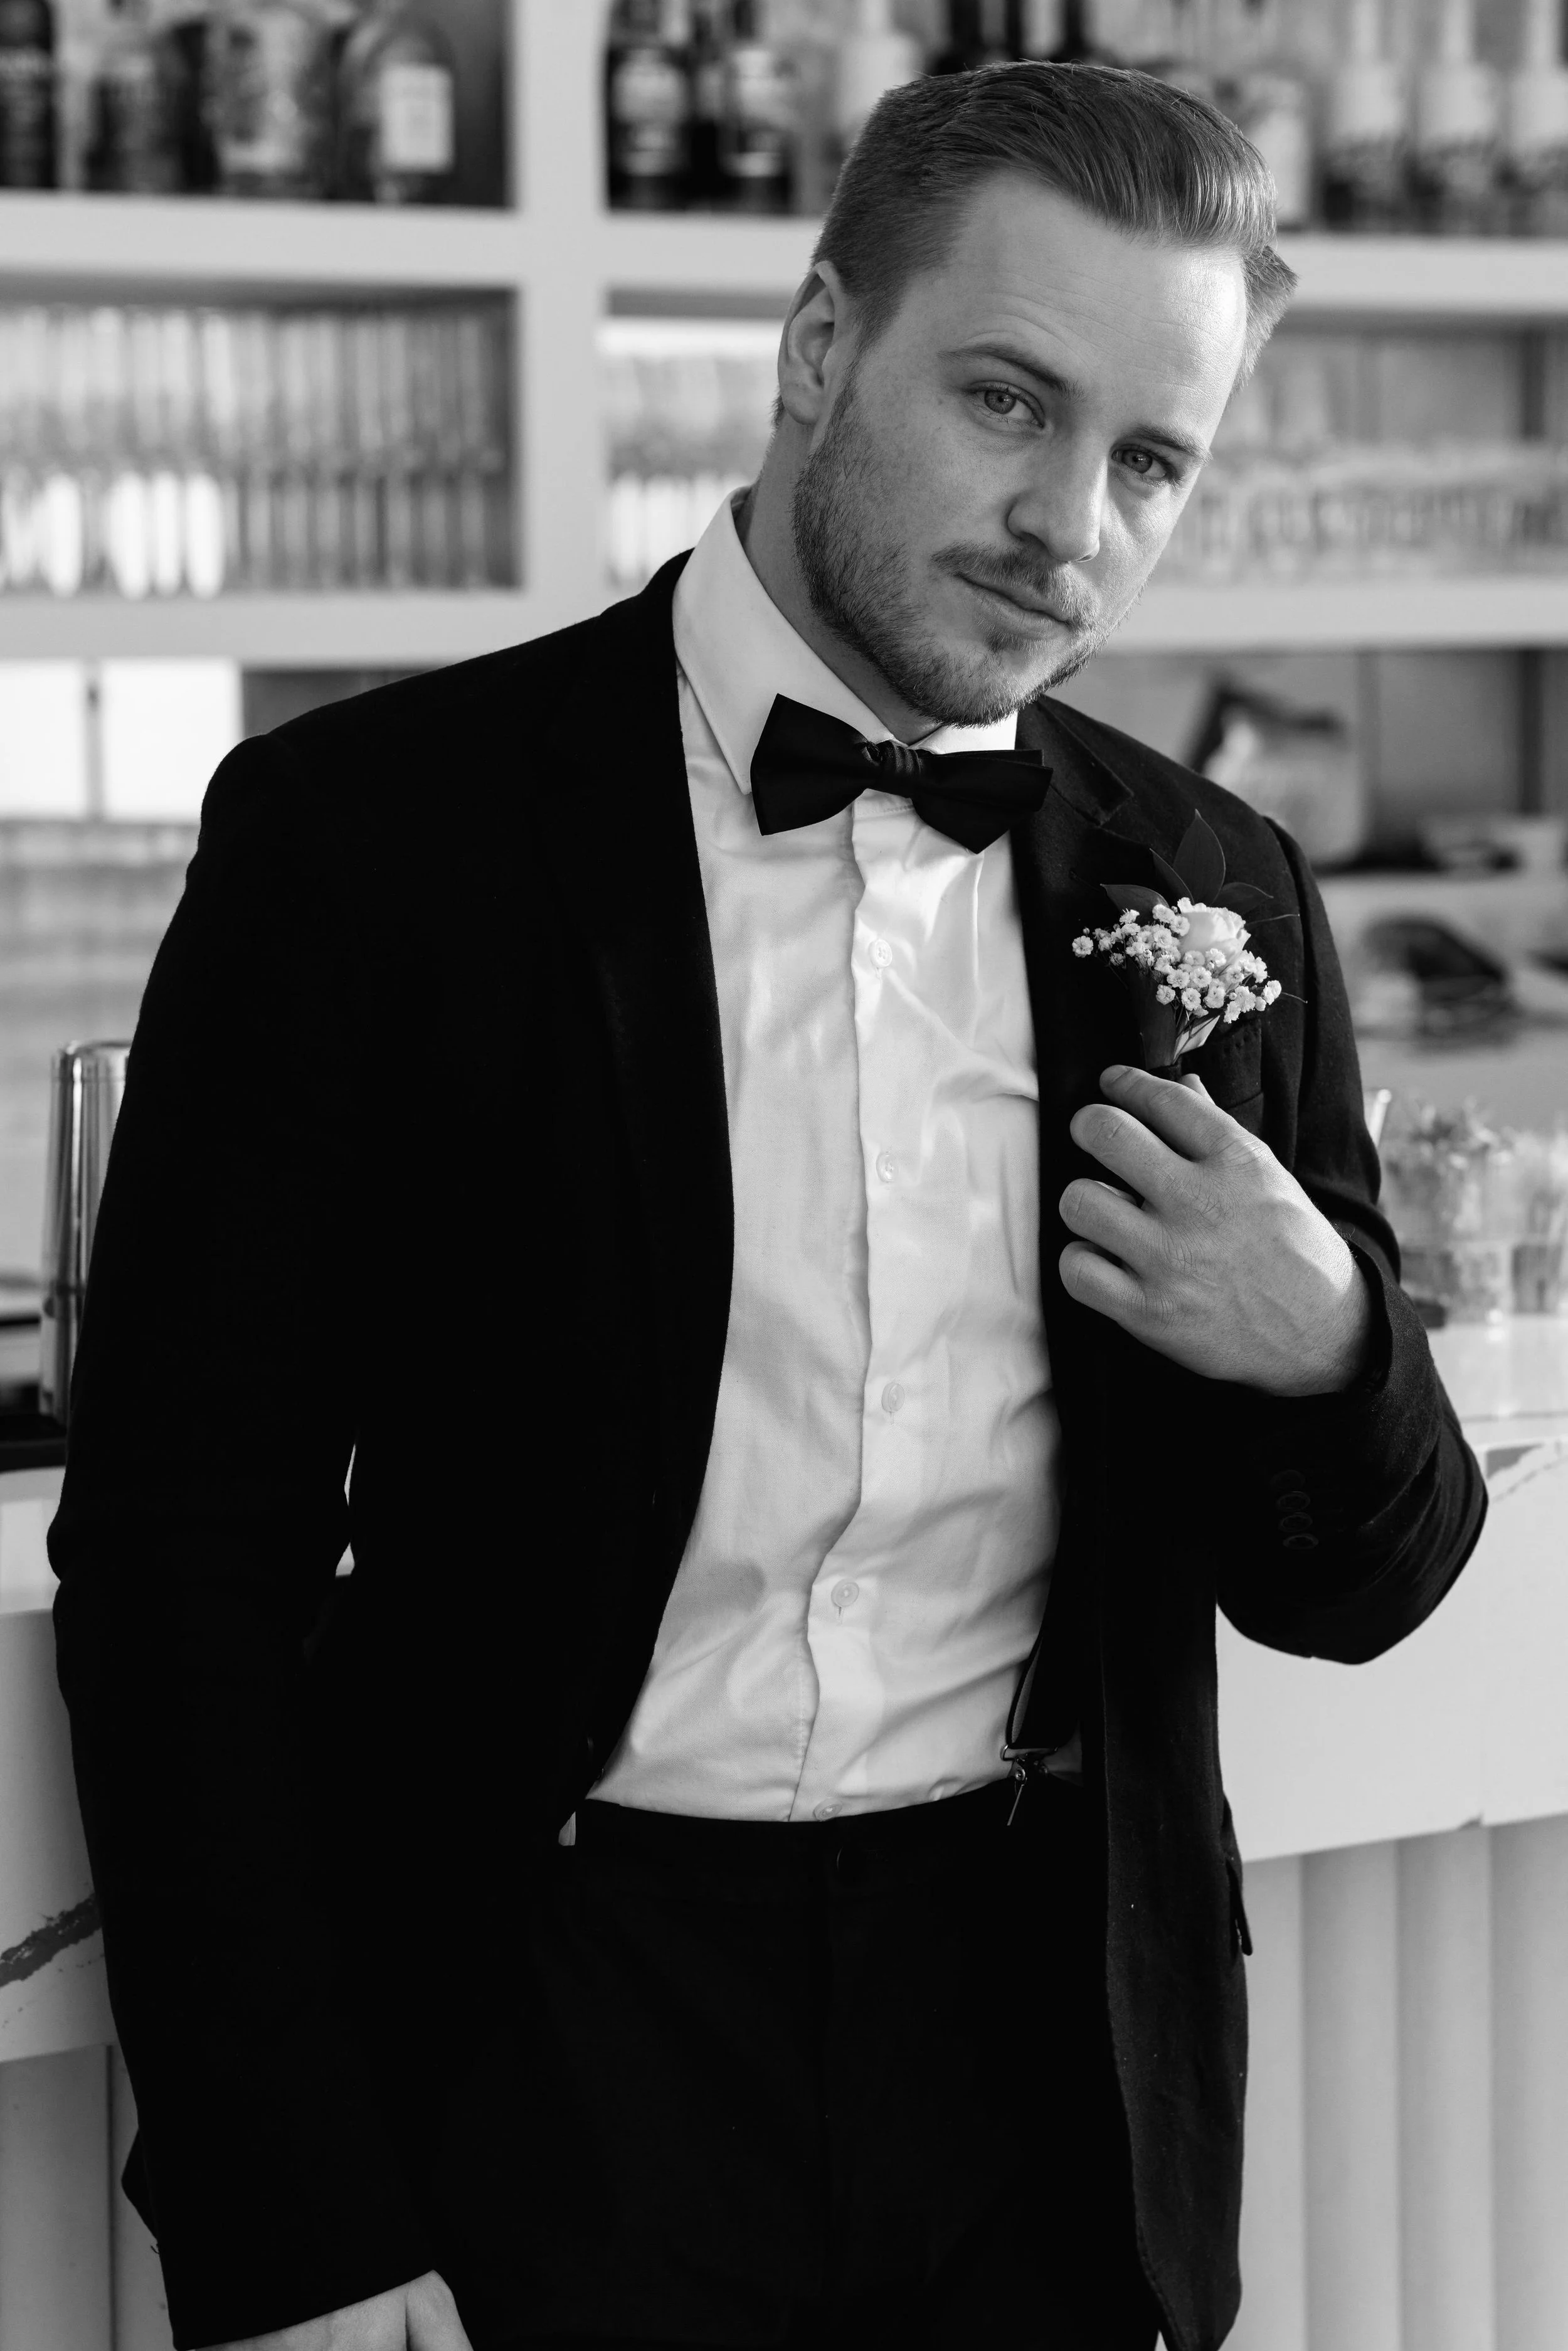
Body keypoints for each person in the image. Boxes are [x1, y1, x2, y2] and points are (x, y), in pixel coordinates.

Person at [51, 60, 1484, 2351]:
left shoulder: (1216, 886)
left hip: (1041, 2086)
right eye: (1005, 400)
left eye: (1149, 460)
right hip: (537, 2046)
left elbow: (1362, 1584)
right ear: (820, 346)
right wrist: (289, 2211)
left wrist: (1324, 1338)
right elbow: (175, 1566)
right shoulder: (367, 843)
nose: (1068, 523)